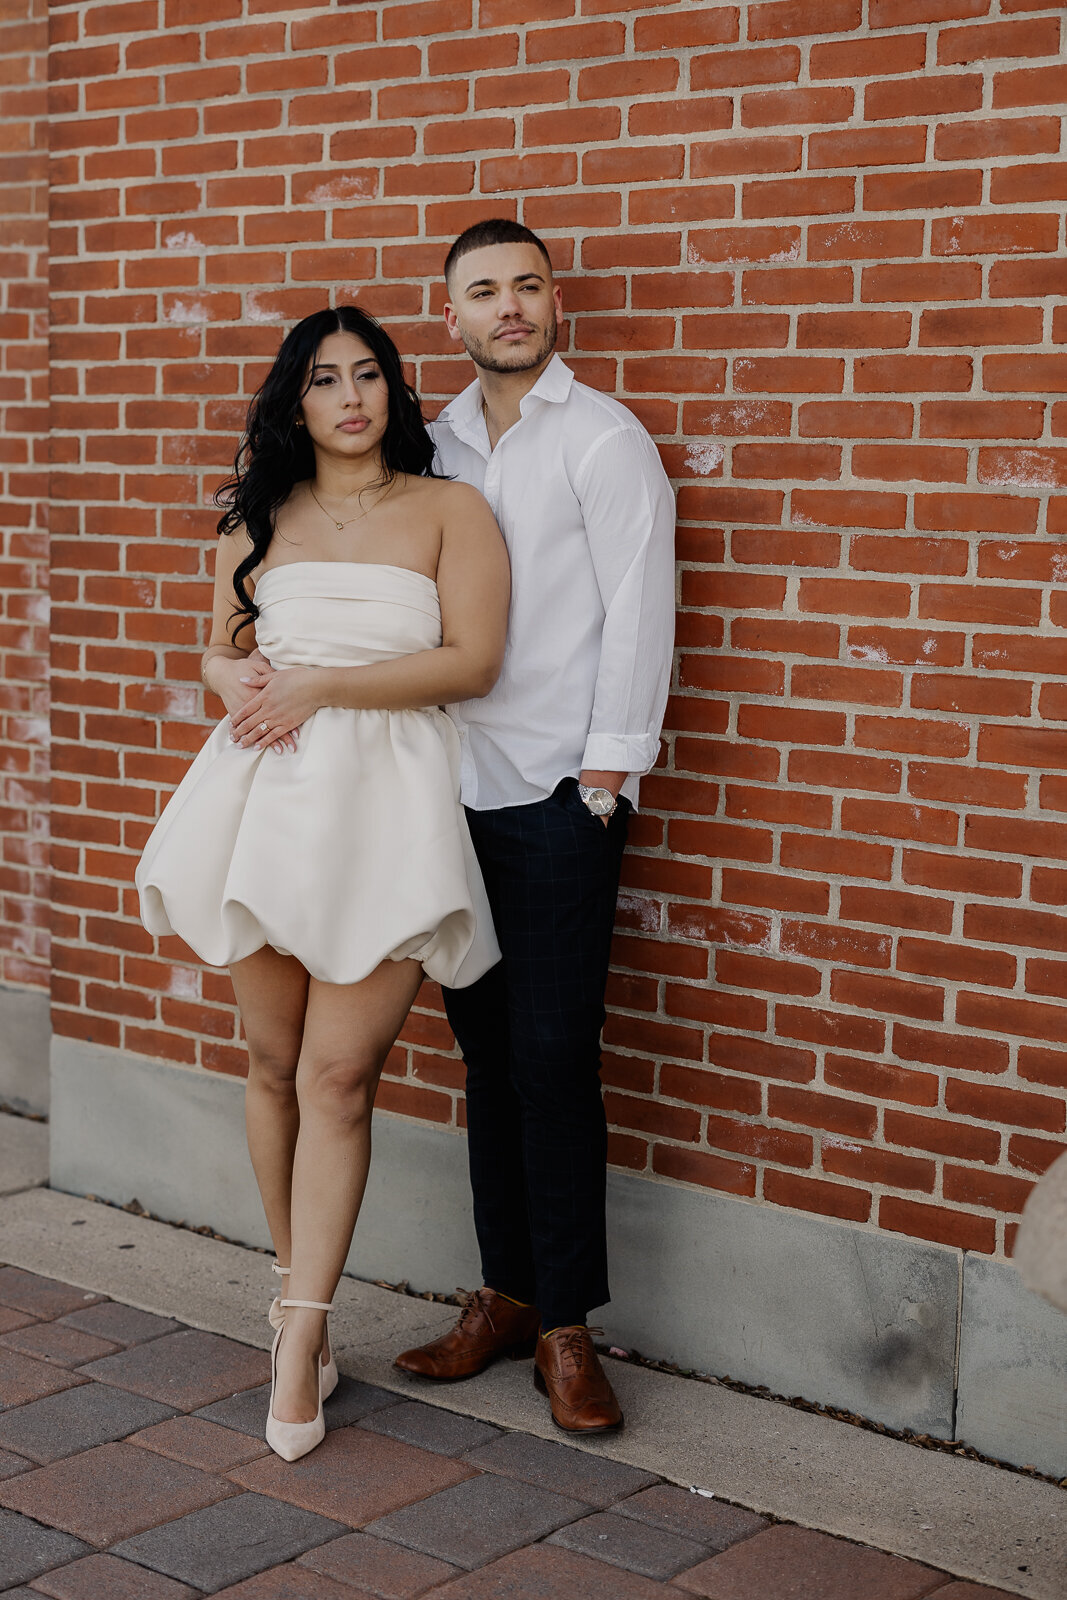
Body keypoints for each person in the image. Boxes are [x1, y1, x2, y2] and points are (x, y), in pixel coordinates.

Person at [136, 305, 509, 1462]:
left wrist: (320, 691)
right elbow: (216, 645)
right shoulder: (260, 516)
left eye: (368, 375)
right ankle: (297, 1295)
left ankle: (298, 1341)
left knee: (338, 1076)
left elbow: (472, 660)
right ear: (293, 401)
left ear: (393, 391)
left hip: (386, 807)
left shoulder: (449, 509)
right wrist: (232, 676)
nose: (350, 396)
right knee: (267, 1061)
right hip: (262, 803)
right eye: (323, 379)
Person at [393, 219, 676, 1433]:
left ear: (555, 303)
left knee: (556, 1062)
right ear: (448, 314)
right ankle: (503, 1295)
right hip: (449, 796)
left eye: (527, 286)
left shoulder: (601, 440)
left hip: (562, 801)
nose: (509, 307)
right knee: (485, 1056)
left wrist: (603, 783)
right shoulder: (434, 445)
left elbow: (639, 612)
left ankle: (566, 1323)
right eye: (483, 292)